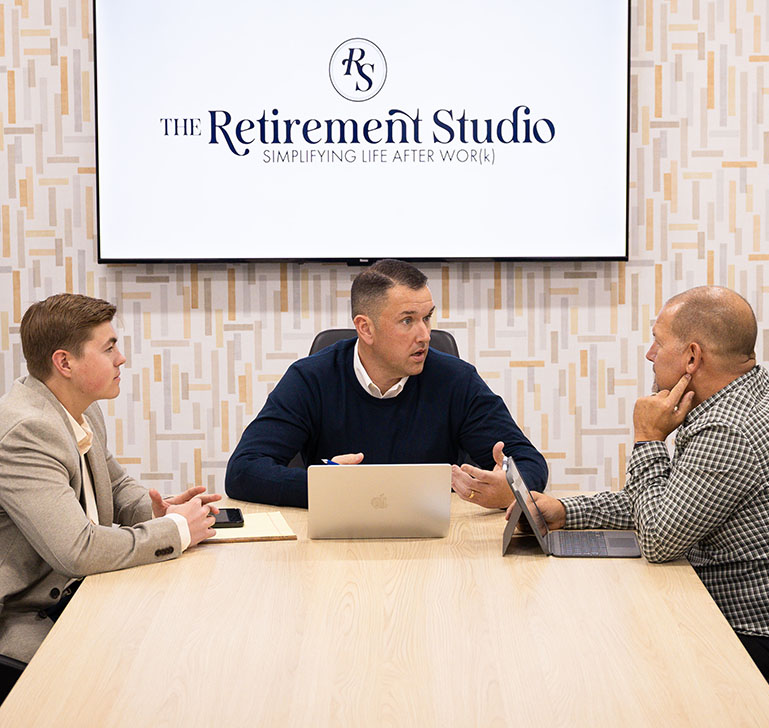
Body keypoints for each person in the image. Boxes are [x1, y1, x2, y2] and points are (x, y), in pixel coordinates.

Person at [517, 286, 769, 677]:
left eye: (657, 340)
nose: (650, 354)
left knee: (619, 657)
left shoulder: (730, 429)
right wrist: (567, 511)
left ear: (691, 357)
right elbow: (664, 503)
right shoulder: (733, 399)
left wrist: (648, 438)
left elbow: (657, 537)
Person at [0, 294, 220, 669]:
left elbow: (115, 486)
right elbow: (78, 550)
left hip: (80, 592)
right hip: (26, 613)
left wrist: (156, 509)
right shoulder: (28, 431)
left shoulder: (80, 407)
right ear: (64, 362)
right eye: (109, 348)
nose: (121, 359)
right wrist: (176, 530)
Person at [224, 259, 548, 509]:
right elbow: (242, 472)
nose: (424, 335)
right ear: (365, 328)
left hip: (434, 550)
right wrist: (327, 485)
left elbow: (528, 461)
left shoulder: (455, 380)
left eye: (427, 318)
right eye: (408, 320)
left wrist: (511, 487)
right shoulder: (311, 380)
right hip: (335, 549)